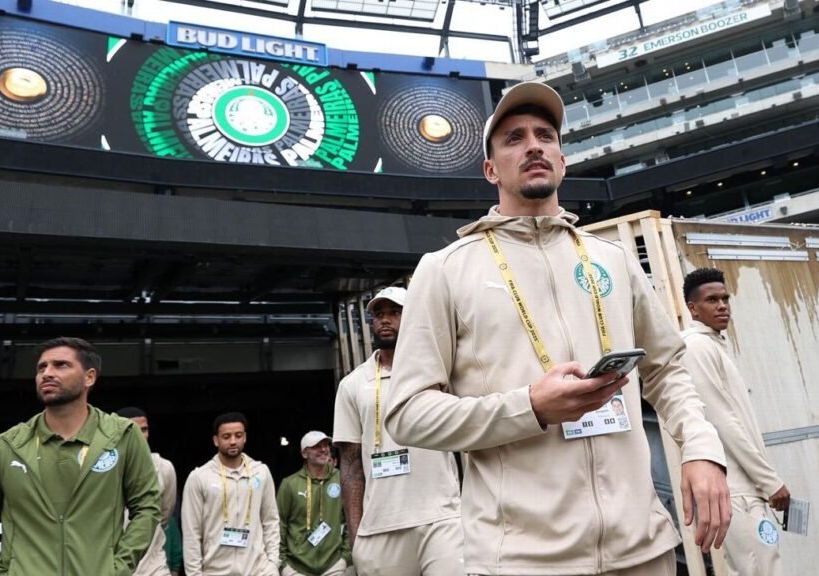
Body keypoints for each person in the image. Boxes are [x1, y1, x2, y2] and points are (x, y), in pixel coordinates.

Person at [385, 81, 731, 575]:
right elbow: (407, 413)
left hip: (643, 549)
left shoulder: (611, 259)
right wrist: (529, 407)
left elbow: (669, 367)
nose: (533, 146)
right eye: (513, 138)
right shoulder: (444, 269)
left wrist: (700, 446)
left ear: (562, 161)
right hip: (523, 561)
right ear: (490, 170)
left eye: (545, 135)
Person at [0, 337, 161, 576]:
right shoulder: (7, 445)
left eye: (61, 365)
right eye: (42, 367)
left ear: (89, 377)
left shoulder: (123, 435)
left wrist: (118, 568)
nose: (47, 373)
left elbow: (147, 507)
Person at [333, 287, 464, 576]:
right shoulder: (352, 384)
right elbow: (351, 465)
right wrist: (356, 537)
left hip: (441, 518)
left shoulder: (440, 372)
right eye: (379, 314)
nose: (385, 320)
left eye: (395, 312)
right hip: (379, 527)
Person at [681, 267, 790, 576]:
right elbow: (723, 422)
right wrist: (770, 481)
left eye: (725, 298)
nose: (722, 306)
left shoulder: (713, 344)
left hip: (747, 490)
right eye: (712, 300)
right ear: (693, 308)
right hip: (736, 490)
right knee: (761, 570)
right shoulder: (695, 346)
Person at [181, 412, 279, 576]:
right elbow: (192, 531)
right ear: (215, 440)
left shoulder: (260, 472)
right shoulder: (199, 477)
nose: (233, 441)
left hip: (258, 569)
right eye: (226, 436)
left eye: (238, 435)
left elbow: (270, 520)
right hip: (215, 570)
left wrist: (273, 563)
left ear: (245, 437)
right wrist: (194, 574)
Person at [277, 431, 352, 576]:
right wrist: (283, 563)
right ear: (304, 453)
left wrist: (345, 557)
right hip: (296, 567)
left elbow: (351, 518)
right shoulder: (290, 484)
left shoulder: (342, 478)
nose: (324, 449)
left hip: (334, 565)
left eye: (326, 445)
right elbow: (279, 524)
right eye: (317, 446)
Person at [116, 407, 179, 576]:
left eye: (144, 429)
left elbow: (164, 515)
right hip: (116, 565)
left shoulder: (164, 468)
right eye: (133, 430)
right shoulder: (104, 469)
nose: (140, 435)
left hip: (154, 564)